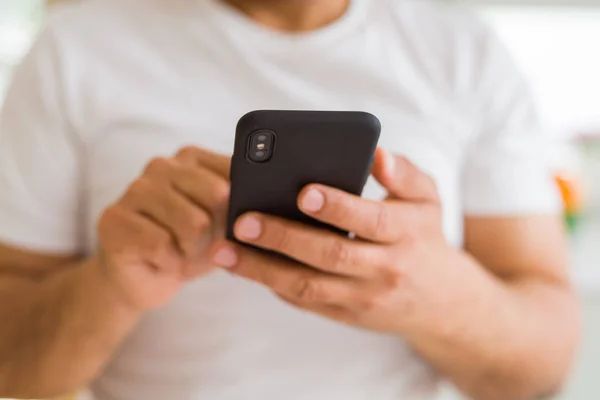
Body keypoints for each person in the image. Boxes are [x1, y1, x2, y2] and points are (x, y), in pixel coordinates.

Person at [0, 0, 580, 399]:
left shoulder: (465, 52)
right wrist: (110, 285)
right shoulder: (77, 45)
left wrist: (438, 296)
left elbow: (542, 369)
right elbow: (11, 370)